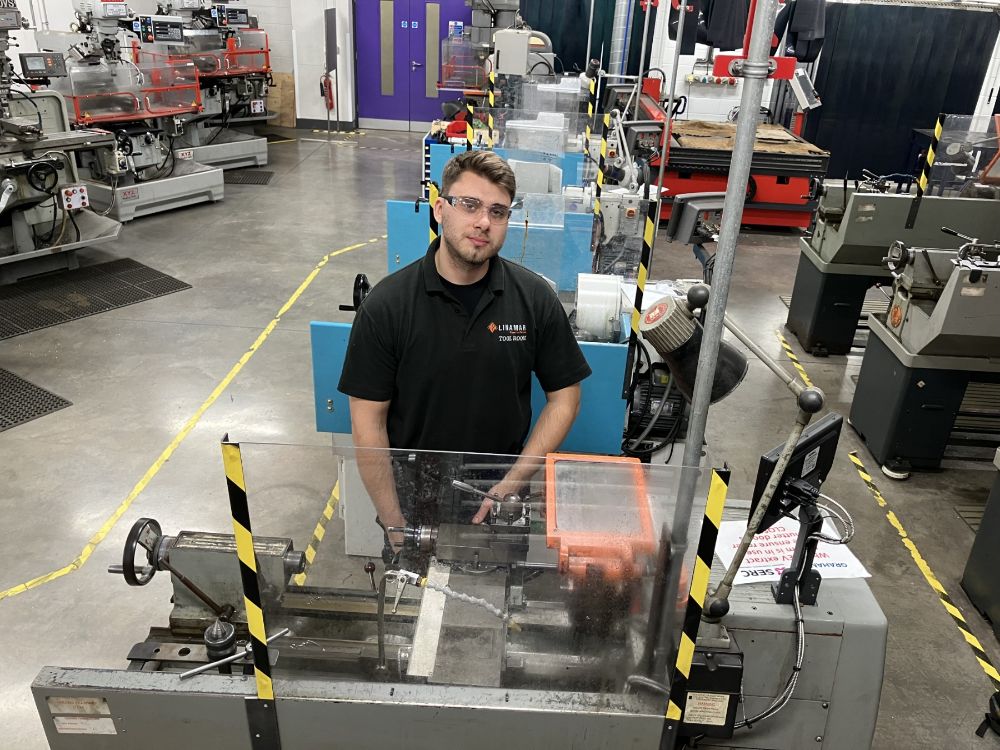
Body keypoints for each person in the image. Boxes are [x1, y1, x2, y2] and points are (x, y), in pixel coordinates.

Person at [338, 151, 591, 555]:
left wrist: (513, 482)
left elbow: (566, 398)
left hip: (500, 495)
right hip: (413, 500)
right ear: (440, 209)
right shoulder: (387, 306)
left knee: (501, 610)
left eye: (498, 211)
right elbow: (369, 423)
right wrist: (395, 525)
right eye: (469, 205)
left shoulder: (534, 299)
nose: (483, 222)